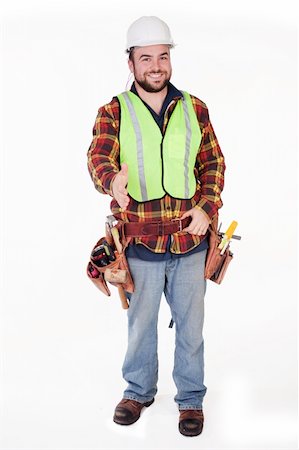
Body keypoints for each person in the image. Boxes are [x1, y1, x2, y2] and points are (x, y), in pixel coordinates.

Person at [87, 16, 225, 437]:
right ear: (131, 63)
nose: (156, 66)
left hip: (190, 242)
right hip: (140, 245)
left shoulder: (195, 108)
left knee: (192, 328)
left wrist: (206, 205)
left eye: (162, 56)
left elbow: (213, 163)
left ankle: (190, 400)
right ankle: (138, 391)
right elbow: (99, 157)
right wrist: (112, 181)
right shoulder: (114, 110)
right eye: (146, 57)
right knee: (140, 325)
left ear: (170, 59)